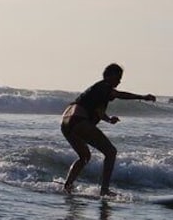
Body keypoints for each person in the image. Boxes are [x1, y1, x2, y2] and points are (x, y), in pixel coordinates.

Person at [60, 63, 155, 196]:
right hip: (78, 120)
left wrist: (108, 119)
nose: (119, 81)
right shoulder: (104, 86)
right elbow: (120, 94)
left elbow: (97, 110)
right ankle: (104, 190)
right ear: (108, 76)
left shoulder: (97, 90)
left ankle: (67, 187)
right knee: (111, 152)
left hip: (66, 122)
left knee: (85, 156)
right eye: (118, 77)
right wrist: (142, 97)